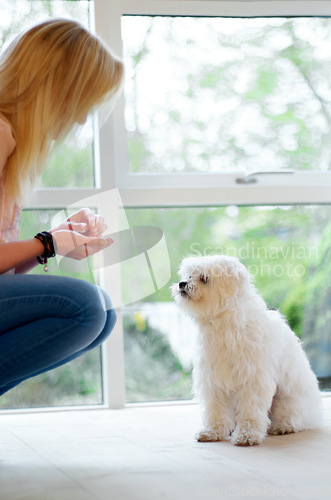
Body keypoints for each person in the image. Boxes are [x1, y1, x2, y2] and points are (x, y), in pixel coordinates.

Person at [0, 19, 124, 398]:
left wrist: (52, 243)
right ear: (58, 88)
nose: (82, 117)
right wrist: (45, 244)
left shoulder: (15, 147)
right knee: (85, 306)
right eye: (83, 100)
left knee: (103, 313)